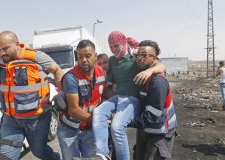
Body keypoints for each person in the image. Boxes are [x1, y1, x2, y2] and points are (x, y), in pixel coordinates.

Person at [0, 31, 63, 160]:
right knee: (6, 156)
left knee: (39, 151)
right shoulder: (2, 60)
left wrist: (62, 93)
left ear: (17, 44)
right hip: (10, 119)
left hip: (36, 118)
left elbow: (57, 70)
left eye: (5, 48)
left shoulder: (35, 57)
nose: (2, 53)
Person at [87, 31, 166, 160]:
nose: (113, 49)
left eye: (116, 46)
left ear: (123, 44)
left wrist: (149, 71)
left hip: (132, 99)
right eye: (111, 46)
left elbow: (161, 65)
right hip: (117, 97)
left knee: (117, 127)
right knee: (98, 113)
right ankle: (102, 154)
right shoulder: (112, 60)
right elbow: (108, 79)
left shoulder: (135, 59)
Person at [57, 40, 106, 160]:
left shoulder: (101, 72)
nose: (84, 60)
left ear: (95, 56)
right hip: (69, 130)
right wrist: (99, 120)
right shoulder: (71, 77)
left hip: (89, 128)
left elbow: (105, 93)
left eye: (88, 56)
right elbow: (73, 110)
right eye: (80, 56)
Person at [133, 40, 177, 160]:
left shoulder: (157, 82)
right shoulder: (142, 74)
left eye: (144, 55)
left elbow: (152, 117)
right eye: (138, 55)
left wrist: (123, 121)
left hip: (160, 134)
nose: (139, 58)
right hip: (145, 130)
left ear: (155, 59)